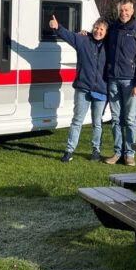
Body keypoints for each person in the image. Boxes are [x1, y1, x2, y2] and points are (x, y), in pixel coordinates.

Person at [49, 14, 109, 162]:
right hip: (83, 88)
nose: (98, 31)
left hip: (101, 90)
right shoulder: (82, 40)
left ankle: (96, 150)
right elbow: (69, 36)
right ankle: (69, 151)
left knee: (97, 123)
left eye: (102, 29)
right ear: (92, 28)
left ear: (106, 32)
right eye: (96, 28)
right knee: (77, 121)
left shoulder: (109, 46)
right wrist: (58, 28)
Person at [103, 0, 136, 166]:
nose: (123, 13)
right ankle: (117, 153)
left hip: (130, 82)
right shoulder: (113, 29)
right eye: (121, 10)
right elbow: (99, 37)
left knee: (129, 119)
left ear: (132, 11)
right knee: (115, 119)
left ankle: (129, 154)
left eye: (126, 10)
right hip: (113, 80)